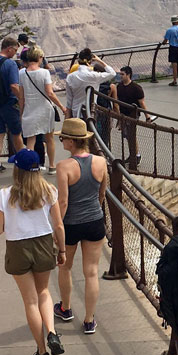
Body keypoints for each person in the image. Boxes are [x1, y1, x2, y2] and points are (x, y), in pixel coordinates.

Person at [0, 148, 67, 355]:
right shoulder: (49, 191)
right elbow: (59, 225)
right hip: (43, 244)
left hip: (17, 248)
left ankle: (42, 352)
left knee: (30, 300)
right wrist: (61, 251)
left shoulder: (6, 195)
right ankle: (52, 332)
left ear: (18, 171)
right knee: (44, 292)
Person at [52, 119, 108, 335]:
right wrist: (96, 211)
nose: (61, 141)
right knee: (91, 272)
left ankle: (65, 308)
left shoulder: (64, 167)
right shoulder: (101, 162)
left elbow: (63, 202)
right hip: (94, 221)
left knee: (65, 267)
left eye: (62, 137)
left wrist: (57, 228)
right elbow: (102, 192)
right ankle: (89, 320)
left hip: (71, 224)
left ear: (72, 142)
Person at [20, 47, 65, 174]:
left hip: (29, 109)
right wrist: (62, 107)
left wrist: (21, 113)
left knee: (30, 139)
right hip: (45, 108)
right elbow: (50, 93)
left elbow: (21, 97)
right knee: (49, 138)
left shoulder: (22, 73)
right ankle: (51, 165)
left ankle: (30, 166)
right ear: (39, 57)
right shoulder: (44, 73)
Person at [0, 36, 24, 175]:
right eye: (15, 50)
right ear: (9, 48)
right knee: (16, 133)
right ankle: (22, 162)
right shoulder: (10, 64)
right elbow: (14, 85)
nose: (15, 53)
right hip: (9, 104)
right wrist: (21, 100)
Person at [65, 50, 116, 119]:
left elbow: (69, 101)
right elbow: (112, 73)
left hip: (76, 113)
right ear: (90, 61)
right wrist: (99, 61)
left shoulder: (70, 77)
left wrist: (67, 118)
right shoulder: (94, 76)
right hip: (91, 114)